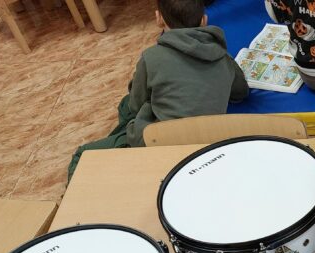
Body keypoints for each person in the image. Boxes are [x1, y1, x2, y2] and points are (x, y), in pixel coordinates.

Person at [68, 0, 248, 180]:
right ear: (204, 20)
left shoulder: (152, 57)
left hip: (158, 140)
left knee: (83, 155)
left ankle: (121, 154)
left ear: (158, 18)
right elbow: (241, 92)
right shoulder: (223, 57)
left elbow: (135, 104)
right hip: (207, 142)